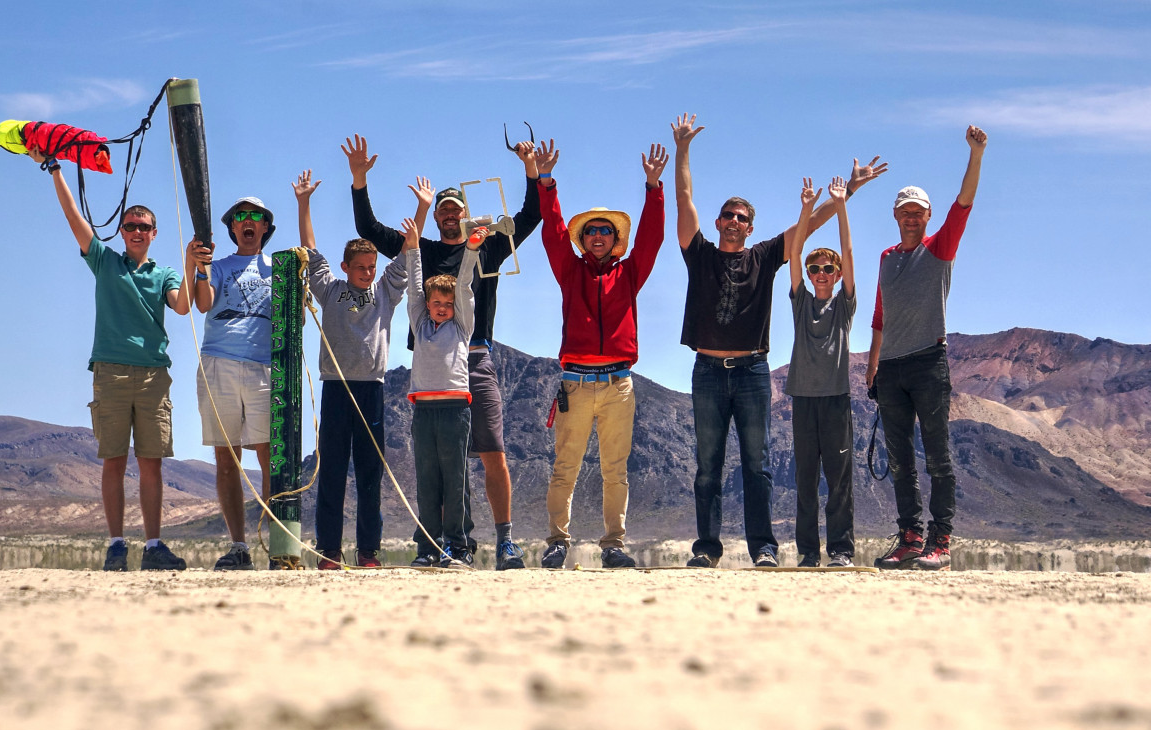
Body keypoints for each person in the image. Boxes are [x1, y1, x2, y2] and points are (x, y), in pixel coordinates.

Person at [671, 112, 887, 568]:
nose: (733, 221)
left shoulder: (765, 256)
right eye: (728, 215)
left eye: (742, 217)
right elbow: (684, 197)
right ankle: (707, 550)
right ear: (717, 221)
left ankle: (763, 550)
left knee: (758, 465)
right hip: (707, 371)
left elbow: (810, 227)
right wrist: (683, 148)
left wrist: (850, 189)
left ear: (751, 227)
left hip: (751, 372)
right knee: (707, 466)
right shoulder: (700, 254)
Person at [343, 133, 541, 569]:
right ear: (436, 217)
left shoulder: (486, 246)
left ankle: (505, 541)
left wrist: (532, 171)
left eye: (456, 209)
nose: (450, 215)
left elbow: (531, 216)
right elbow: (369, 231)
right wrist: (360, 181)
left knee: (492, 452)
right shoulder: (423, 250)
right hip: (430, 368)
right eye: (443, 210)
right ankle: (445, 543)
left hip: (477, 358)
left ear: (466, 214)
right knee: (437, 463)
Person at [31, 151, 191, 571]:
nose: (136, 232)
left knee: (152, 463)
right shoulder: (104, 261)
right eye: (130, 226)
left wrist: (194, 266)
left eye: (143, 227)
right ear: (122, 231)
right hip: (110, 372)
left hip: (154, 375)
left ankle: (154, 546)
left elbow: (182, 308)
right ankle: (117, 545)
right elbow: (73, 219)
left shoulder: (165, 274)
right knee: (114, 460)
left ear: (155, 233)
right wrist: (55, 171)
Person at [533, 139, 668, 569]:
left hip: (618, 385)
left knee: (616, 469)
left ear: (616, 240)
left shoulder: (630, 274)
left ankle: (613, 546)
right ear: (583, 239)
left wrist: (653, 187)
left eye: (604, 230)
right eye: (590, 231)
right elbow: (552, 234)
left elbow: (653, 237)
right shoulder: (569, 271)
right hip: (575, 382)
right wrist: (546, 182)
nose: (596, 236)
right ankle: (557, 541)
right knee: (564, 468)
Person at [868, 125, 987, 571]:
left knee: (937, 455)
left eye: (918, 212)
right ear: (896, 216)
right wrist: (873, 364)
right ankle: (910, 537)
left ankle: (940, 542)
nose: (911, 217)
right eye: (905, 212)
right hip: (892, 369)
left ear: (928, 215)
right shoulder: (886, 258)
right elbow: (881, 316)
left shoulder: (940, 249)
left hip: (928, 363)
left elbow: (964, 205)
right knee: (899, 459)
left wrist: (975, 155)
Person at [294, 169, 418, 569]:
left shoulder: (384, 292)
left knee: (369, 475)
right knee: (330, 471)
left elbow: (407, 253)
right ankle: (329, 551)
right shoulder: (330, 289)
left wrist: (422, 207)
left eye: (371, 266)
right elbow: (309, 250)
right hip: (335, 389)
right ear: (346, 266)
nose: (367, 272)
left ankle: (369, 552)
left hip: (372, 391)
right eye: (360, 266)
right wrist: (303, 202)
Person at [187, 196, 279, 571]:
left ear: (265, 229)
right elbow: (203, 303)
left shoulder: (280, 268)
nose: (248, 221)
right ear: (232, 228)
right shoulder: (219, 267)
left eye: (256, 216)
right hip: (219, 363)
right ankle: (239, 547)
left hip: (262, 368)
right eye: (241, 216)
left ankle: (280, 545)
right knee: (227, 458)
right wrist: (201, 268)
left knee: (270, 455)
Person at [404, 212, 485, 568]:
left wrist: (471, 251)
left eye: (447, 305)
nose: (441, 308)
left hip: (455, 410)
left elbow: (464, 286)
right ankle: (428, 546)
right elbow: (413, 287)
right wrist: (412, 250)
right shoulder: (420, 323)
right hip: (423, 410)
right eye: (436, 302)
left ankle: (458, 546)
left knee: (455, 480)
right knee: (427, 480)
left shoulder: (461, 327)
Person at [786, 176, 858, 569]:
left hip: (835, 401)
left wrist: (841, 205)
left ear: (838, 272)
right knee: (805, 481)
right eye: (816, 268)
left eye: (829, 268)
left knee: (839, 480)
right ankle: (808, 554)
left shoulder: (844, 308)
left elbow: (848, 250)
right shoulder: (801, 305)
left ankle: (841, 551)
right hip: (803, 400)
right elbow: (793, 254)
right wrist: (806, 210)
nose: (821, 273)